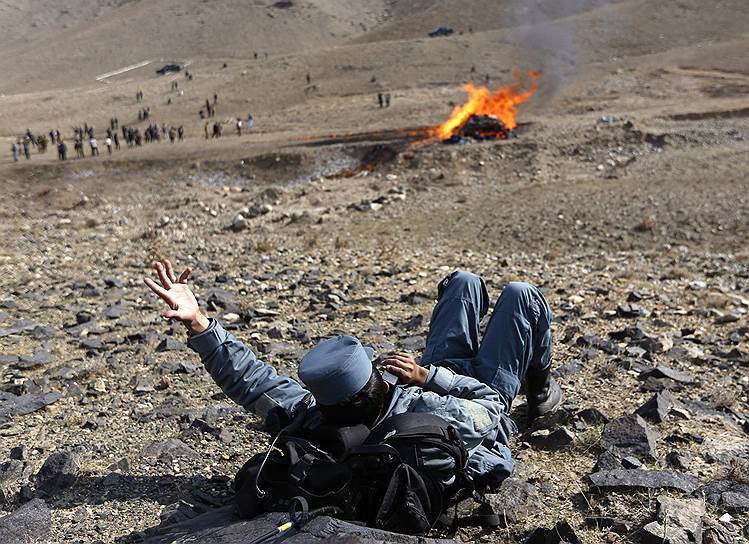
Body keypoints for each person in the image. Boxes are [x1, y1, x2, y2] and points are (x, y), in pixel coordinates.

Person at [144, 263, 562, 488]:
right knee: (521, 296)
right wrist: (428, 376)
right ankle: (539, 383)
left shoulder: (312, 414)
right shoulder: (423, 415)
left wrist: (198, 322)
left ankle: (519, 363)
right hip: (471, 391)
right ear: (381, 381)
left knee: (465, 283)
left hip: (433, 380)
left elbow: (250, 379)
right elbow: (489, 406)